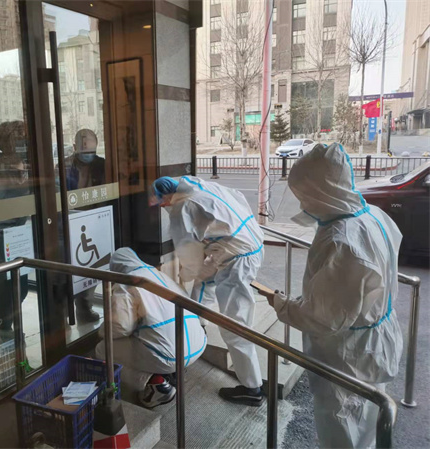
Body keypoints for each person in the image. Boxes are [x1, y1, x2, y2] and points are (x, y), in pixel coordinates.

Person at [262, 143, 403, 448]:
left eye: (304, 195)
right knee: (367, 423)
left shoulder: (342, 241)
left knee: (342, 427)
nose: (302, 203)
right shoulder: (372, 216)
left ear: (321, 191)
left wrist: (282, 305)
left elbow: (323, 318)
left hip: (347, 353)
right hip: (373, 339)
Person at [151, 175, 265, 406]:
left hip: (237, 259)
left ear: (168, 198)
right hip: (245, 242)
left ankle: (252, 389)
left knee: (235, 325)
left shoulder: (182, 207)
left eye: (162, 203)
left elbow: (189, 256)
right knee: (203, 282)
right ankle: (196, 327)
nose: (163, 207)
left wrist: (183, 276)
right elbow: (239, 199)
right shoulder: (201, 185)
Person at [95, 248, 207, 408]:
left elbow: (120, 326)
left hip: (171, 355)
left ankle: (156, 384)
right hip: (198, 345)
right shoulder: (161, 276)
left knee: (103, 349)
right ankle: (172, 372)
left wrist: (101, 331)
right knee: (150, 330)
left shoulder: (127, 283)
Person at [0, 120, 31, 330]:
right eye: (18, 139)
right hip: (0, 234)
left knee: (21, 286)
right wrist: (19, 182)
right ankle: (4, 328)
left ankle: (8, 325)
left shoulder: (23, 163)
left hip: (19, 232)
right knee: (6, 288)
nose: (23, 143)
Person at [63, 129, 106, 322]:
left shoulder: (103, 165)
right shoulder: (65, 165)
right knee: (68, 268)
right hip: (71, 220)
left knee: (92, 265)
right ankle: (63, 312)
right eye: (83, 150)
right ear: (74, 147)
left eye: (91, 150)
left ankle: (84, 308)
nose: (87, 154)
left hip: (95, 220)